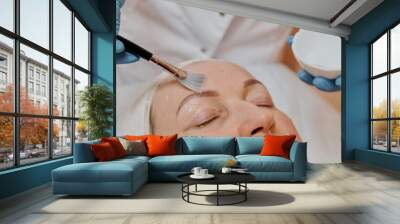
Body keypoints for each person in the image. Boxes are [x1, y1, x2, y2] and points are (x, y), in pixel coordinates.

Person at [116, 0, 341, 163]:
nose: (261, 118)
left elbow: (304, 32)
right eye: (206, 118)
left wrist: (330, 56)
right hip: (137, 74)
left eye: (262, 101)